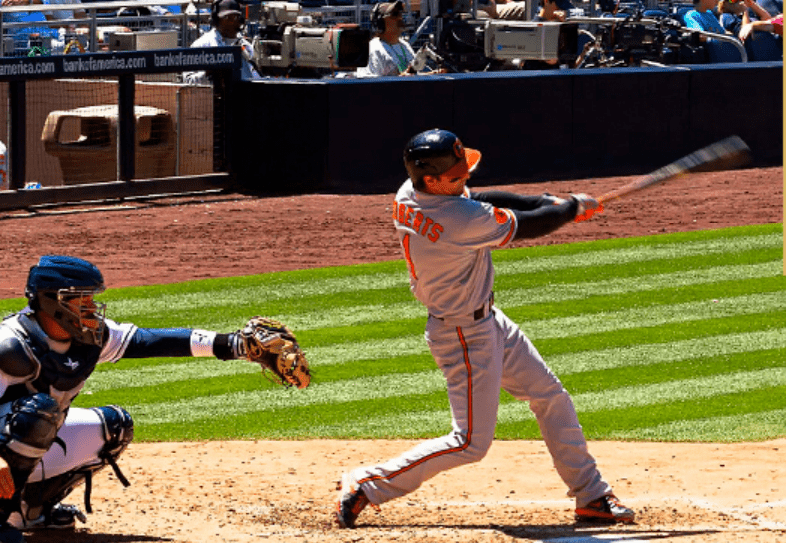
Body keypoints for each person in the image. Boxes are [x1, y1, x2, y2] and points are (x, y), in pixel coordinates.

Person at [335, 129, 635, 529]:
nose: (464, 177)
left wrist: (546, 202)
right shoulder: (457, 220)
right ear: (433, 178)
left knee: (550, 396)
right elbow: (527, 227)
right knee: (470, 443)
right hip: (463, 334)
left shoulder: (413, 191)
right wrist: (569, 209)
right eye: (456, 172)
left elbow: (483, 198)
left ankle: (591, 497)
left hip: (486, 321)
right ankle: (368, 484)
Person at [0, 255, 289, 543]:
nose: (91, 307)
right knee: (36, 416)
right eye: (82, 300)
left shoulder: (90, 338)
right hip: (6, 448)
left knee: (114, 428)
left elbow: (150, 340)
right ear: (53, 302)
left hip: (25, 448)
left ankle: (28, 512)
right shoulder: (10, 345)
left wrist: (235, 345)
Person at [183, 0, 263, 84]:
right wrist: (208, 73)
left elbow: (259, 79)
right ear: (216, 20)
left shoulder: (247, 47)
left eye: (235, 17)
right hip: (212, 96)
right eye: (226, 17)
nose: (231, 22)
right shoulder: (202, 45)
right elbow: (188, 81)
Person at [356, 1, 417, 77]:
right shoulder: (373, 49)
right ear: (380, 23)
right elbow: (369, 83)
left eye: (400, 13)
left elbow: (416, 75)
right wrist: (401, 78)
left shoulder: (405, 45)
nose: (400, 17)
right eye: (395, 14)